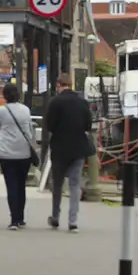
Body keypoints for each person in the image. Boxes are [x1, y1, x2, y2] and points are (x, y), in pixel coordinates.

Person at [43, 73, 95, 231]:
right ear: (71, 85)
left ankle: (55, 217)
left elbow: (49, 125)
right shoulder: (82, 102)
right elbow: (88, 125)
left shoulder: (55, 102)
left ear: (59, 85)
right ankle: (73, 221)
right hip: (78, 148)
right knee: (75, 184)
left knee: (57, 185)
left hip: (60, 148)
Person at [0, 83, 38, 229]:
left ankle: (14, 220)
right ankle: (21, 217)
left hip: (7, 152)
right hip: (23, 152)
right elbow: (29, 129)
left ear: (4, 96)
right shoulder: (25, 109)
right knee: (21, 186)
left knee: (11, 185)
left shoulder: (1, 111)